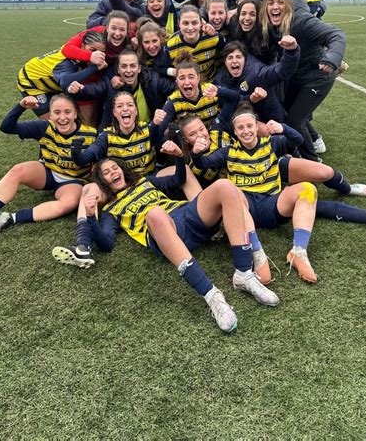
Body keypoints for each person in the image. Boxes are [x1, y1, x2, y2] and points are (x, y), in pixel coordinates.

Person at [52, 148, 280, 333]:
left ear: (122, 170)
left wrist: (179, 157)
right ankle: (212, 297)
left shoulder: (145, 182)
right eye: (106, 172)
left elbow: (179, 178)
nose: (113, 172)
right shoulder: (112, 209)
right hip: (163, 233)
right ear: (103, 182)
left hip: (185, 215)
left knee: (225, 187)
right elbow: (107, 243)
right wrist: (91, 217)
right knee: (154, 214)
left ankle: (243, 274)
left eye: (115, 167)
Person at [190, 103, 322, 284]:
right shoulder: (228, 152)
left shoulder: (272, 143)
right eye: (240, 128)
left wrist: (283, 128)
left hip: (272, 205)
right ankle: (258, 255)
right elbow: (203, 164)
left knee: (308, 189)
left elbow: (298, 140)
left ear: (256, 127)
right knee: (234, 195)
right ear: (235, 132)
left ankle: (298, 252)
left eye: (249, 126)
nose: (246, 131)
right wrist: (196, 153)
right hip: (244, 211)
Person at [0, 94, 97, 237]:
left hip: (73, 181)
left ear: (76, 113)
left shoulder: (91, 134)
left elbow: (98, 163)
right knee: (18, 170)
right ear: (50, 115)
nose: (62, 117)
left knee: (69, 203)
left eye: (67, 112)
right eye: (57, 112)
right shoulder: (45, 127)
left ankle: (11, 218)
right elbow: (6, 127)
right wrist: (21, 107)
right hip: (48, 172)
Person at [259, 0, 346, 161]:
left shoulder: (302, 21)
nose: (275, 7)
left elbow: (336, 35)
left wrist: (332, 59)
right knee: (287, 113)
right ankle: (314, 141)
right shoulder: (270, 25)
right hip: (296, 77)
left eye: (280, 2)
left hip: (318, 77)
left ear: (289, 5)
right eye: (270, 3)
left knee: (295, 120)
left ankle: (312, 162)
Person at [16, 30, 107, 121]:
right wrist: (94, 68)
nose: (97, 54)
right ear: (82, 46)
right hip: (31, 82)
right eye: (93, 50)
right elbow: (65, 82)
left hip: (55, 80)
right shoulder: (66, 63)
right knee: (55, 123)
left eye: (101, 51)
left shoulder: (75, 51)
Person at [215, 37, 300, 123]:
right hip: (242, 125)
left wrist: (291, 51)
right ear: (225, 62)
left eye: (238, 57)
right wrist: (250, 100)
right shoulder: (220, 79)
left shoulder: (257, 73)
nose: (234, 61)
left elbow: (282, 71)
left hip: (271, 122)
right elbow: (226, 107)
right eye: (230, 58)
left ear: (245, 59)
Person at [158, 52, 239, 140]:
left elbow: (236, 98)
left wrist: (219, 91)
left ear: (198, 78)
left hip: (217, 137)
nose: (187, 82)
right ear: (176, 81)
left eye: (191, 77)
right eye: (182, 78)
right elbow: (160, 130)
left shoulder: (210, 90)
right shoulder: (173, 101)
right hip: (192, 144)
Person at [161, 4, 225, 82]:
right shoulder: (170, 45)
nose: (190, 28)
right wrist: (174, 72)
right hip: (184, 87)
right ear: (179, 23)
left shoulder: (214, 37)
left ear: (201, 23)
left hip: (210, 84)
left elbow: (225, 56)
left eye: (194, 23)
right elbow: (160, 68)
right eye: (185, 23)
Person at [62, 10, 130, 70]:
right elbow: (67, 49)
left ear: (127, 31)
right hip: (79, 67)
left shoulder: (131, 38)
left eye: (122, 29)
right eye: (113, 28)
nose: (117, 33)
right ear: (107, 28)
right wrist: (90, 56)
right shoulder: (95, 32)